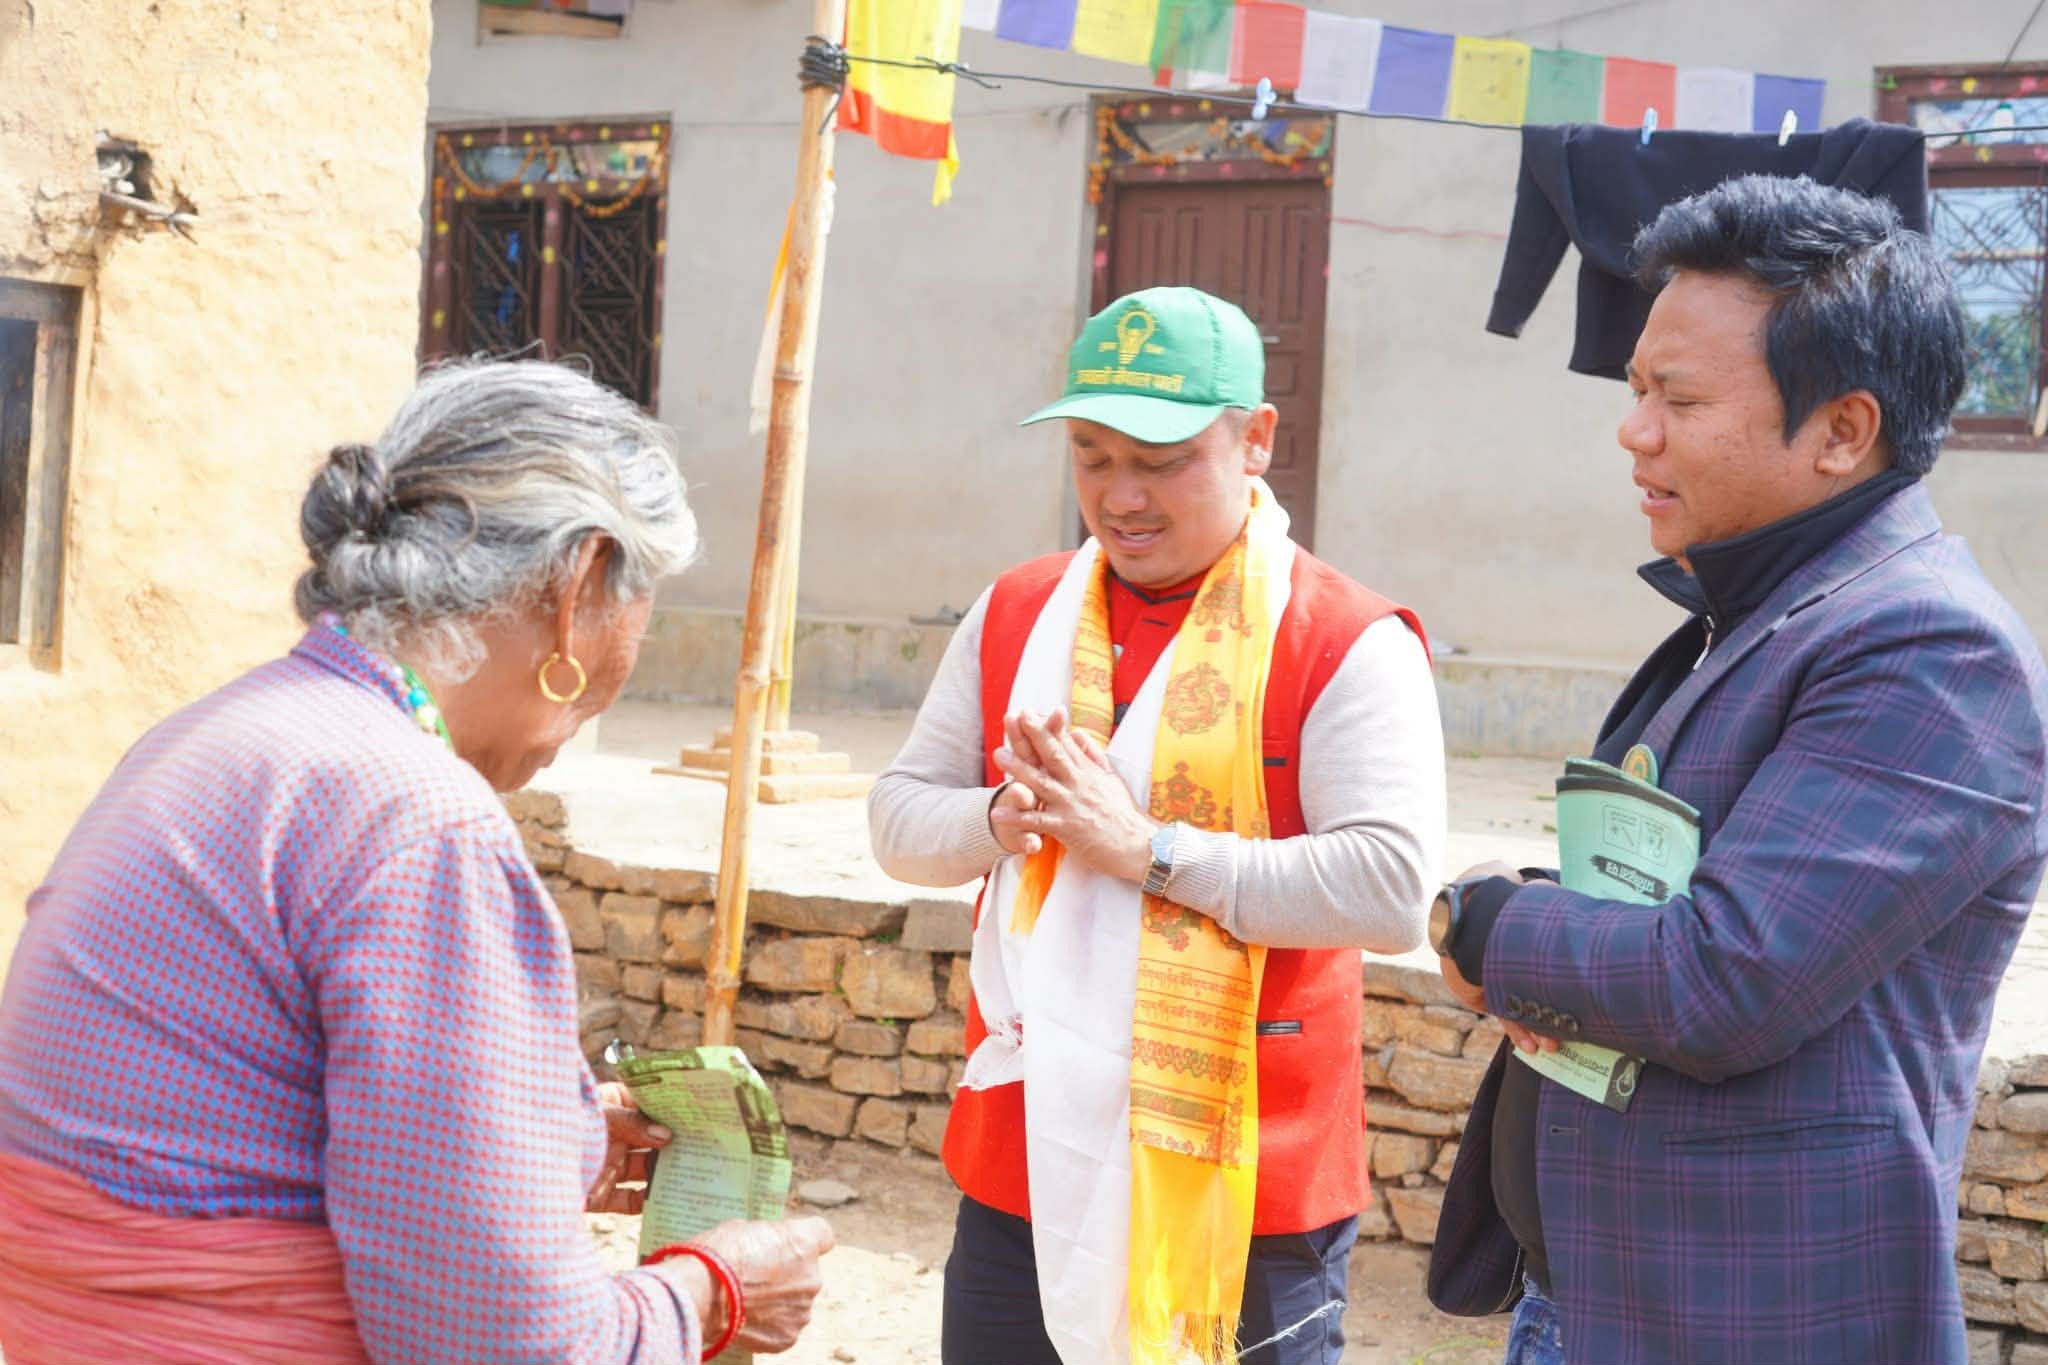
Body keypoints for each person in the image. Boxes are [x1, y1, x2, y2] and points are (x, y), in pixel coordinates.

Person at [0, 361, 833, 1364]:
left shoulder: (217, 731)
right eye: (640, 604)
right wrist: (709, 1295)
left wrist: (546, 1136)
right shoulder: (416, 818)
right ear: (579, 590)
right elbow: (500, 1347)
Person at [1425, 175, 2048, 1365]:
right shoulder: (1762, 607)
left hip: (1744, 1316)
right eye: (1634, 391)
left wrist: (1490, 925)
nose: (1634, 429)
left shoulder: (1928, 647)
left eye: (1678, 397)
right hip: (1607, 1296)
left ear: (1840, 432)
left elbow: (1723, 976)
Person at [868, 286, 1446, 1365]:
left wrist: (1145, 851)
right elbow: (900, 821)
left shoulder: (1344, 639)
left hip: (1242, 1170)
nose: (1120, 497)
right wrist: (1003, 817)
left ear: (1255, 440)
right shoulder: (1017, 612)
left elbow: (1388, 889)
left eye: (1162, 459)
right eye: (1090, 457)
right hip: (1023, 1151)